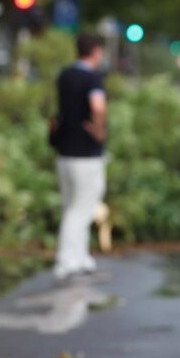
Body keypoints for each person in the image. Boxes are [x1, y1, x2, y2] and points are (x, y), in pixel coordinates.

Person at [50, 32, 108, 280]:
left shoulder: (65, 75)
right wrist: (99, 130)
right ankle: (67, 260)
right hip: (86, 153)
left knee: (70, 205)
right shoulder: (92, 78)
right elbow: (98, 106)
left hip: (64, 150)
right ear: (95, 51)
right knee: (82, 207)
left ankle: (81, 256)